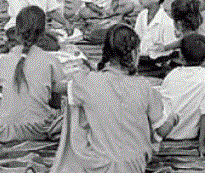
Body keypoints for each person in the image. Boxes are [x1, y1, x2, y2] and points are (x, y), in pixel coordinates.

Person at [51, 24, 178, 173]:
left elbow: (56, 87)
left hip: (100, 166)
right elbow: (161, 130)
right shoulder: (144, 86)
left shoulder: (87, 81)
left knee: (76, 105)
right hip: (135, 165)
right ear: (135, 54)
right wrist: (174, 119)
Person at [0, 6, 66, 142]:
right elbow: (55, 101)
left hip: (7, 130)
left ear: (16, 31)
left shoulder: (4, 59)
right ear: (43, 33)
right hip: (39, 129)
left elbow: (0, 90)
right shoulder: (51, 61)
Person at [159, 33, 205, 156]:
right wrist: (201, 144)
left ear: (181, 57)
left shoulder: (172, 75)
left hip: (166, 132)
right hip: (190, 135)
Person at [133, 0, 177, 73]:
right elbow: (136, 38)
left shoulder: (167, 23)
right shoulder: (142, 15)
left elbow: (170, 51)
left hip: (155, 65)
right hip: (140, 59)